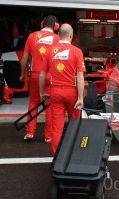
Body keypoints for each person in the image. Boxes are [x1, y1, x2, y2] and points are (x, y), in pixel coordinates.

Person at [39, 23, 85, 156]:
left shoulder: (49, 50)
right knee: (74, 124)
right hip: (72, 92)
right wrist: (81, 98)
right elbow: (80, 77)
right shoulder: (77, 52)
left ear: (58, 35)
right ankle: (74, 155)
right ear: (71, 36)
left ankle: (56, 156)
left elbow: (42, 75)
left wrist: (42, 92)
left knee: (57, 127)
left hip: (55, 92)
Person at [19, 15, 60, 142]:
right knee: (49, 106)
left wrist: (22, 74)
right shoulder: (58, 38)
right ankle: (48, 136)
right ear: (56, 26)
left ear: (42, 24)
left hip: (35, 75)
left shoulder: (32, 36)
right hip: (50, 76)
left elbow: (24, 58)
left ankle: (30, 133)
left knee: (33, 103)